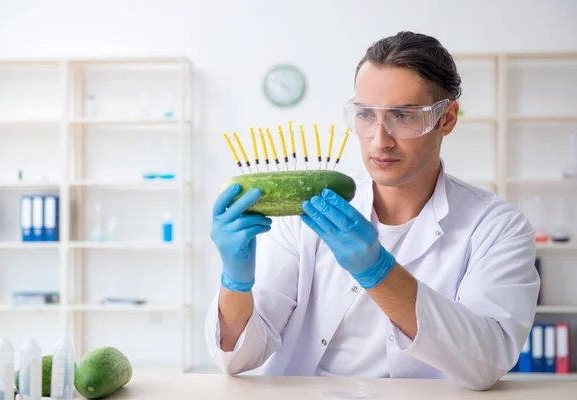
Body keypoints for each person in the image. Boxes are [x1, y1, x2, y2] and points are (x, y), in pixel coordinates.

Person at [205, 31, 540, 391]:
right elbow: (237, 358)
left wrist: (378, 272)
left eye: (403, 115)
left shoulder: (498, 228)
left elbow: (486, 362)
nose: (380, 139)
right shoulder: (307, 212)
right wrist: (235, 282)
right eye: (366, 114)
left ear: (446, 119)